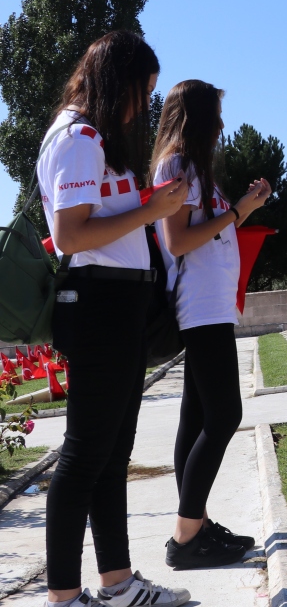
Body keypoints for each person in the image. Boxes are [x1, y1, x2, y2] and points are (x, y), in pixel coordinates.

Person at [36, 31, 192, 607]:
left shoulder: (94, 139)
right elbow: (70, 234)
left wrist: (154, 204)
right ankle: (62, 597)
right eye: (138, 92)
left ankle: (117, 585)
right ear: (114, 82)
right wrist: (153, 209)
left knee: (109, 456)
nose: (141, 106)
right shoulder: (77, 139)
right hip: (98, 306)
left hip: (118, 306)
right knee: (83, 456)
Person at [151, 81, 272, 569]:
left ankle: (195, 523)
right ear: (197, 118)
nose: (222, 126)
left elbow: (209, 234)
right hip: (200, 308)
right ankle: (185, 540)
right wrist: (239, 211)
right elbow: (178, 242)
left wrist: (244, 206)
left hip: (213, 304)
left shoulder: (195, 169)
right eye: (216, 116)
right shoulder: (175, 167)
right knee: (223, 417)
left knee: (198, 420)